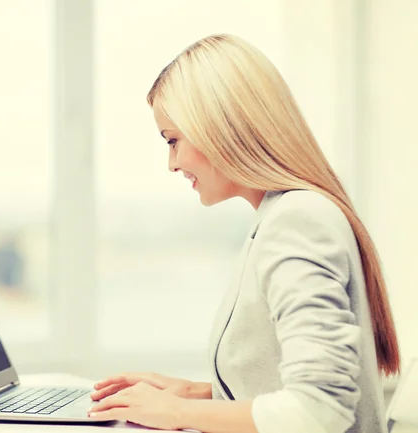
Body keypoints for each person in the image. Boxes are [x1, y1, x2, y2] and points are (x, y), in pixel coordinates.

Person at [87, 34, 400, 433]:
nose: (173, 163)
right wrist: (196, 392)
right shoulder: (283, 214)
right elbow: (287, 389)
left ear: (220, 127)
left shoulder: (298, 220)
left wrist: (174, 414)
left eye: (173, 141)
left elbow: (320, 410)